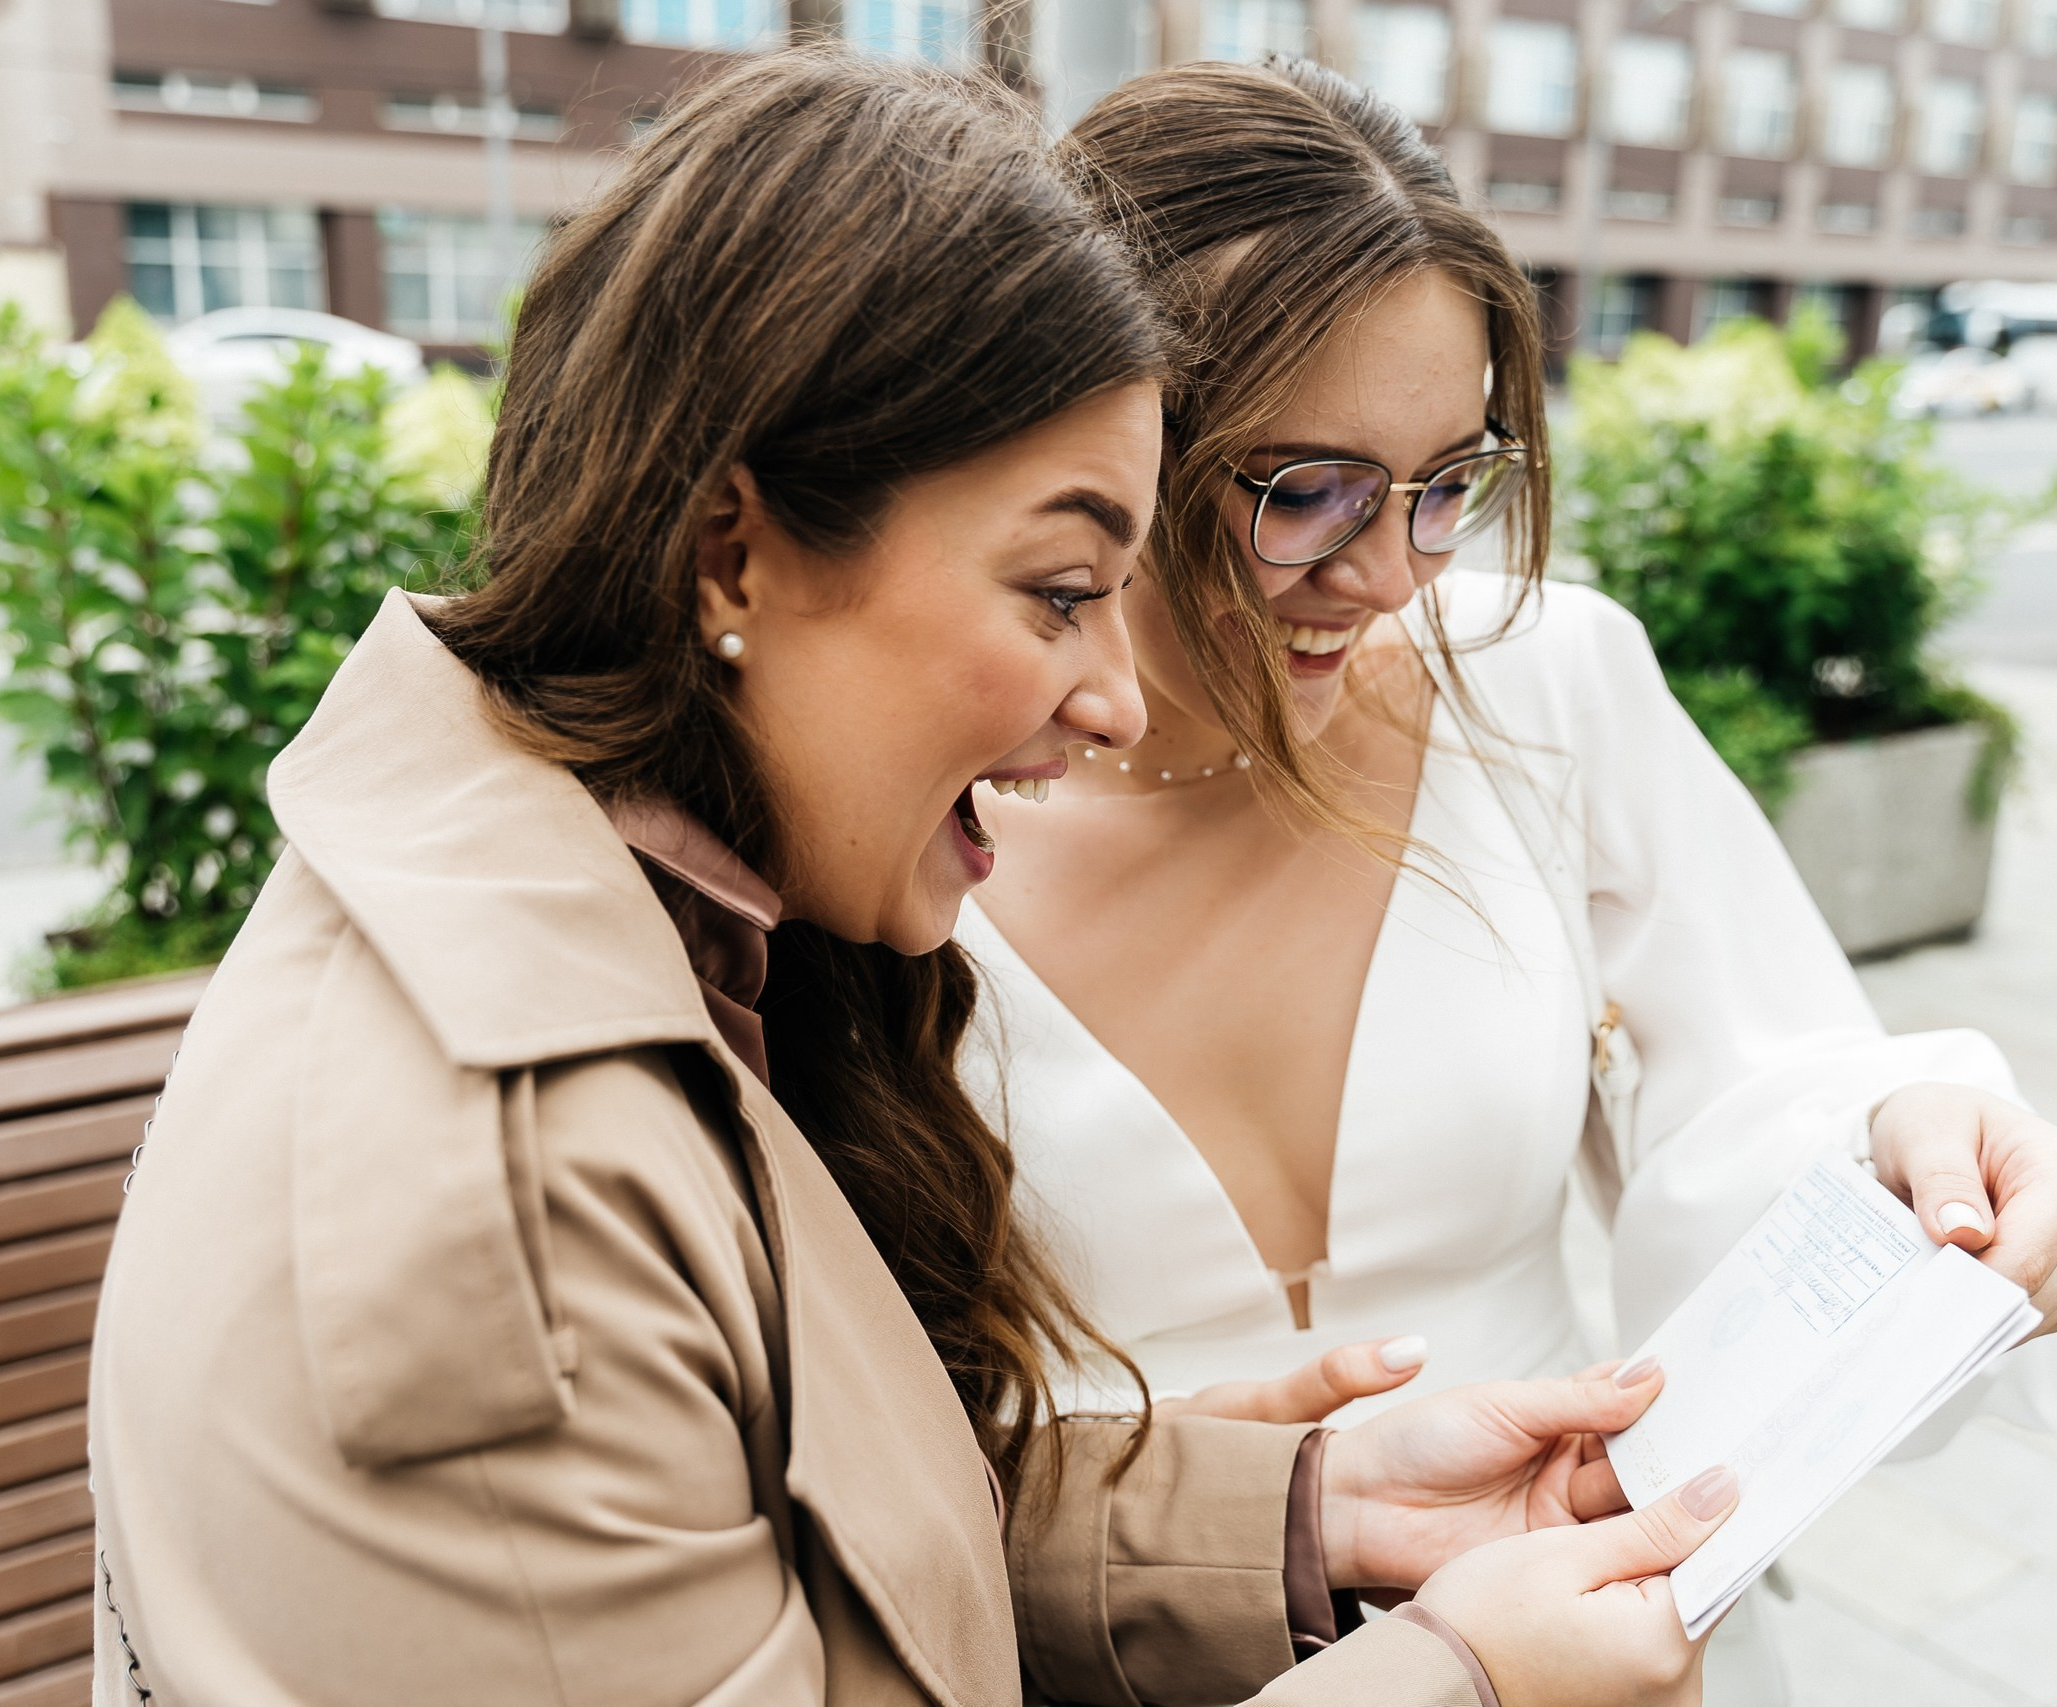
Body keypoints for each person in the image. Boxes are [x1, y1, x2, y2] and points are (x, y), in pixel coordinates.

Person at [85, 51, 1750, 1707]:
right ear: (736, 552)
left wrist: (1307, 1515)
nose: (1112, 698)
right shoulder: (505, 1217)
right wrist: (1460, 1678)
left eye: (1450, 490)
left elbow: (796, 1527)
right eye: (1057, 590)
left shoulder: (615, 916)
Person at [957, 58, 2057, 1705]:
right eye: (1306, 492)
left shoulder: (1545, 681)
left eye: (1450, 484)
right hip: (1136, 1651)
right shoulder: (913, 823)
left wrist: (1914, 1152)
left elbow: (1758, 1080)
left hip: (1606, 1606)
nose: (1392, 573)